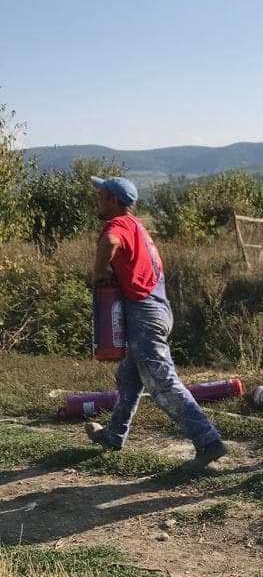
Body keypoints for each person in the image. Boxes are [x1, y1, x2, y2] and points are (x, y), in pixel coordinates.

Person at [85, 176, 227, 470]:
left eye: (101, 195)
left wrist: (98, 273)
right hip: (157, 308)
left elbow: (110, 242)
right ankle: (114, 435)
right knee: (128, 376)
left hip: (144, 314)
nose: (97, 199)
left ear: (113, 200)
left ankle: (209, 442)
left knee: (162, 382)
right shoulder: (137, 227)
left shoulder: (117, 225)